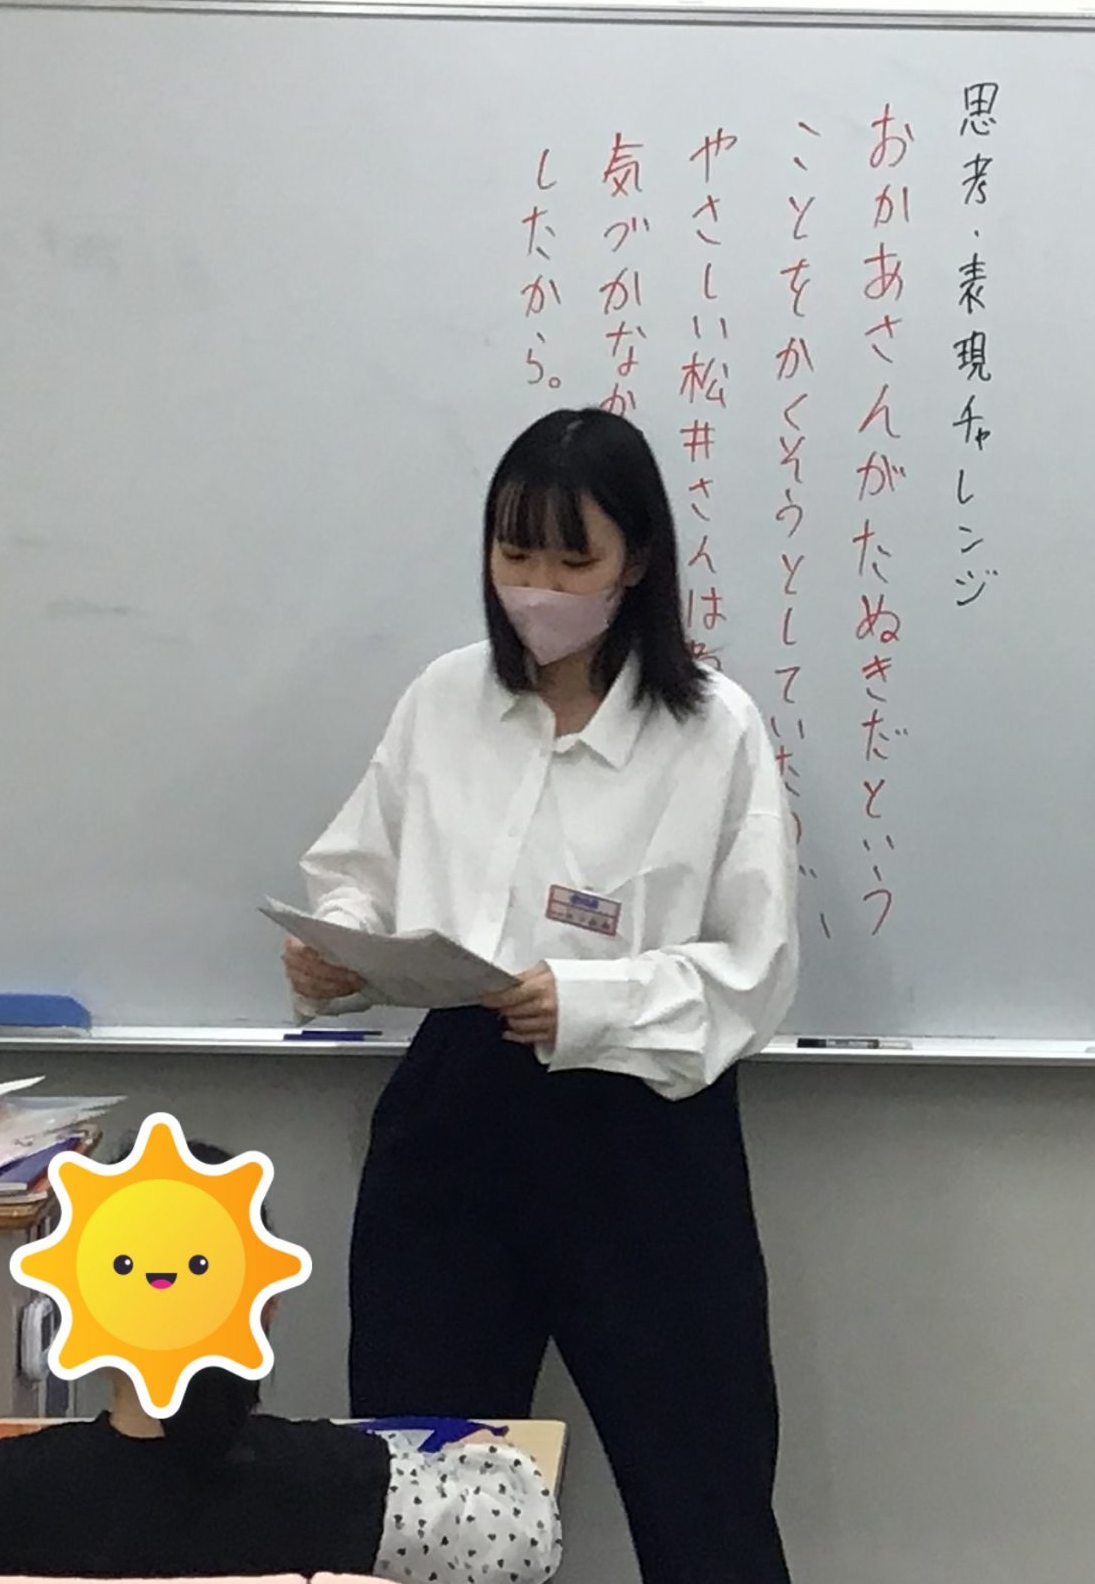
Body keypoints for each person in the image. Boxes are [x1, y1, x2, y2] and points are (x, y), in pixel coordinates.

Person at [288, 409, 800, 1584]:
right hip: (455, 1110)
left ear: (637, 562)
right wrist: (338, 951)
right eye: (515, 553)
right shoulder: (445, 698)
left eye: (574, 560)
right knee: (422, 1487)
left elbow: (754, 968)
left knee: (703, 1488)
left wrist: (589, 1002)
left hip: (644, 1136)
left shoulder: (709, 727)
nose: (539, 587)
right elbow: (357, 873)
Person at [0, 1139, 558, 1584]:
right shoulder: (350, 1484)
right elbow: (523, 1535)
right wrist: (485, 1460)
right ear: (265, 1304)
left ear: (73, 1308)